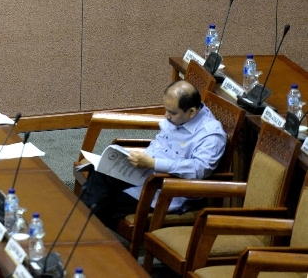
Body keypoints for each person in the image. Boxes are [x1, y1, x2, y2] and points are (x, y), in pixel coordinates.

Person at [79, 80, 227, 229]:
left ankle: (78, 229)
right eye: (166, 109)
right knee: (99, 171)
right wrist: (133, 159)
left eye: (172, 112)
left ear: (192, 112)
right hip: (144, 174)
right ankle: (80, 228)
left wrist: (153, 163)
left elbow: (198, 169)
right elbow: (159, 142)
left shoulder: (211, 135)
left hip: (164, 190)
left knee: (103, 202)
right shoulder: (178, 117)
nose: (166, 115)